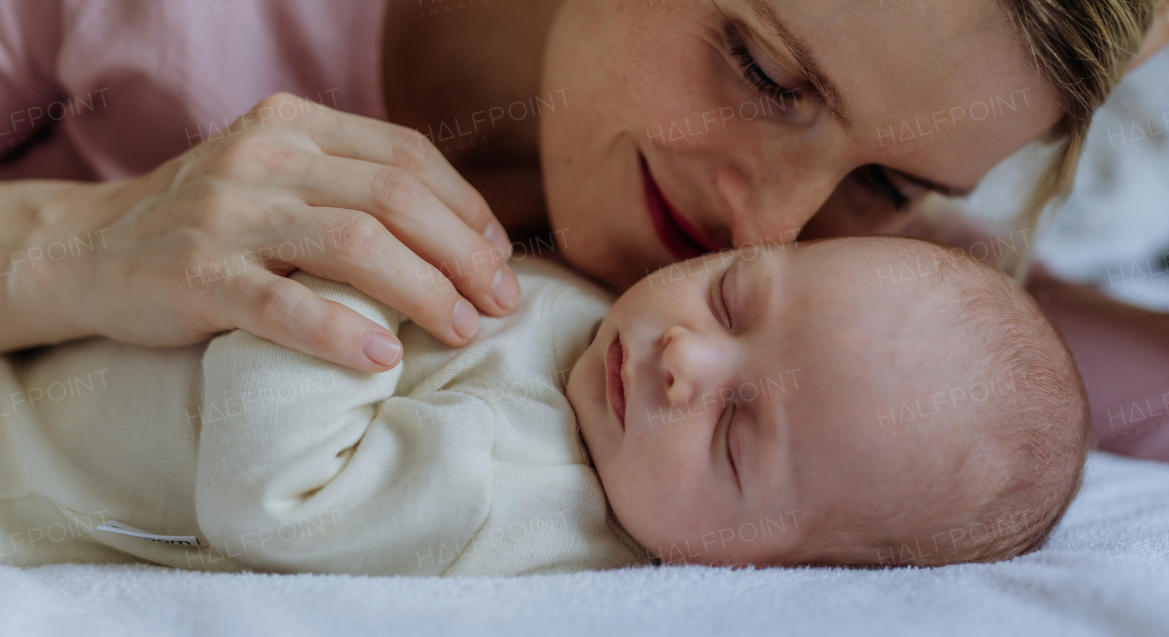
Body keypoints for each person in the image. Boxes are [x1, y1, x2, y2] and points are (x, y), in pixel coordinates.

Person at [0, 0, 1169, 479]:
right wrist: (81, 243)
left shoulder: (859, 294)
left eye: (890, 179)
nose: (767, 227)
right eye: (768, 71)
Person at [0, 237, 1088, 572]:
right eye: (731, 292)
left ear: (764, 562)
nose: (683, 359)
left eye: (735, 430)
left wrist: (343, 272)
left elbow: (276, 497)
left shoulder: (520, 501)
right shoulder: (597, 335)